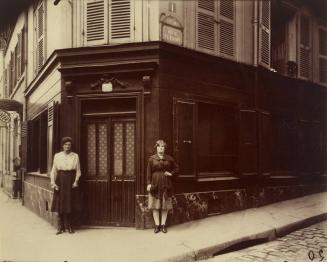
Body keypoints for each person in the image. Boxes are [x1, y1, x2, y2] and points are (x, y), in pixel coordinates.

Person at [50, 137, 81, 234]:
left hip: (70, 180)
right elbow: (54, 170)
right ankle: (60, 226)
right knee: (60, 203)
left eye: (69, 145)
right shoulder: (57, 156)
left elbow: (78, 170)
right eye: (65, 145)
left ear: (71, 146)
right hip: (60, 180)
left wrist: (76, 181)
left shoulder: (75, 156)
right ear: (62, 146)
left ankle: (69, 226)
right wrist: (53, 183)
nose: (67, 146)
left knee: (70, 203)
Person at [147, 140, 178, 233]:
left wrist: (171, 173)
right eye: (159, 146)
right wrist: (148, 184)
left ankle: (163, 225)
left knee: (165, 205)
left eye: (163, 147)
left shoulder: (169, 158)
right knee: (155, 205)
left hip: (166, 183)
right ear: (156, 148)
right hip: (155, 183)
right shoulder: (151, 159)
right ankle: (157, 225)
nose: (161, 148)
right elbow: (148, 173)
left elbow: (177, 169)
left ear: (165, 148)